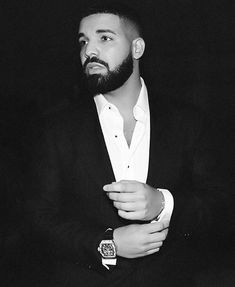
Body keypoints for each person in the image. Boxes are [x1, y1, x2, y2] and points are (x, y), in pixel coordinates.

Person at [24, 2, 225, 287]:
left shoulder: (189, 122)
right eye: (83, 41)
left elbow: (219, 207)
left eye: (104, 38)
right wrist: (109, 244)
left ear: (137, 48)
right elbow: (37, 219)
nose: (89, 51)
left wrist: (164, 204)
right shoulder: (56, 128)